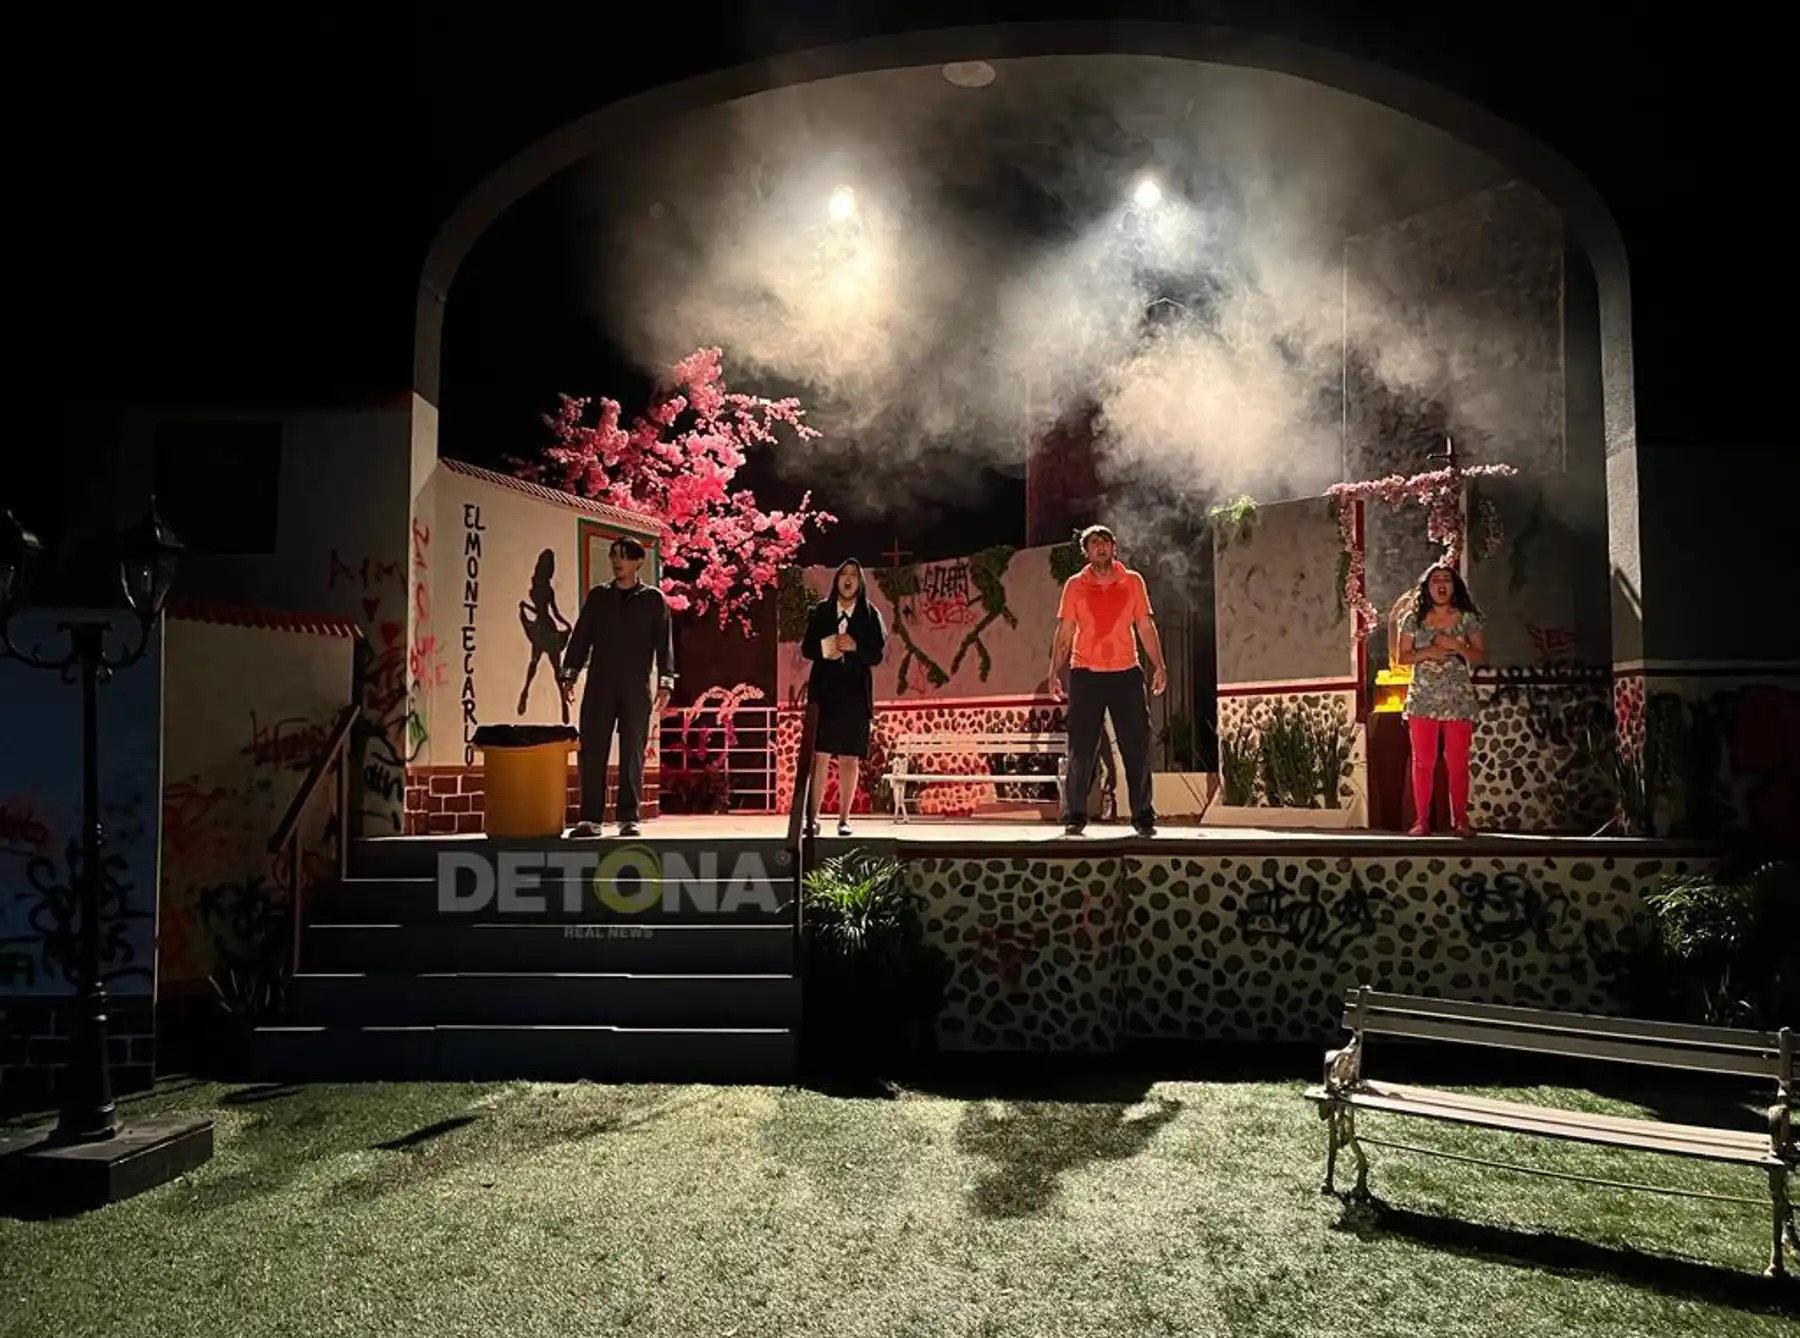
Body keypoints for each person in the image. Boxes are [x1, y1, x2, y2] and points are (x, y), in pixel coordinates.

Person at [1047, 524, 1167, 836]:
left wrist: (1160, 665)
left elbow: (1145, 626)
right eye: (1094, 543)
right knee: (1081, 749)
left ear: (1114, 547)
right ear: (1086, 552)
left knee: (1136, 746)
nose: (1100, 547)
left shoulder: (1132, 581)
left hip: (1126, 674)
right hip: (1085, 674)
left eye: (1105, 542)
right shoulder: (1075, 585)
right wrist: (1054, 671)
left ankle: (1143, 815)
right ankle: (1075, 814)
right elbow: (1065, 632)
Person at [558, 537, 674, 838]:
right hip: (601, 683)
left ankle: (628, 818)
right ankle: (590, 818)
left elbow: (664, 644)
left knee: (632, 750)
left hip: (635, 685)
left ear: (638, 561)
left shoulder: (653, 600)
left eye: (623, 556)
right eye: (613, 555)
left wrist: (665, 682)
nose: (616, 561)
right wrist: (569, 675)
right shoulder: (599, 597)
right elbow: (581, 637)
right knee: (592, 748)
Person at [1394, 562, 1486, 837]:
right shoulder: (1412, 619)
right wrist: (1429, 652)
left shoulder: (1467, 618)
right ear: (1427, 587)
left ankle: (1461, 820)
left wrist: (1456, 645)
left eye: (1446, 579)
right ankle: (1422, 821)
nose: (1441, 584)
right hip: (1423, 698)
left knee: (1457, 762)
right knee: (1423, 762)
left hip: (1458, 698)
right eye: (1435, 580)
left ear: (1454, 586)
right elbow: (1402, 657)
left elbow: (1480, 656)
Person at [800, 558, 887, 836]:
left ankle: (844, 820)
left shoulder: (870, 615)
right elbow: (807, 649)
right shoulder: (821, 612)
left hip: (855, 696)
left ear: (860, 582)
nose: (848, 579)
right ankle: (812, 819)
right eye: (844, 574)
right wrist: (829, 647)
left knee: (850, 758)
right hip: (824, 695)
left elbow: (876, 654)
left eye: (854, 575)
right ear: (837, 579)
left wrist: (855, 647)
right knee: (821, 757)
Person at [517, 548, 572, 722]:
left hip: (540, 628)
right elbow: (554, 613)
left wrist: (525, 608)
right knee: (556, 668)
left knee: (534, 662)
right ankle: (563, 702)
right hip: (548, 627)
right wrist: (566, 625)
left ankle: (525, 691)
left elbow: (541, 611)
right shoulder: (548, 590)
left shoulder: (534, 589)